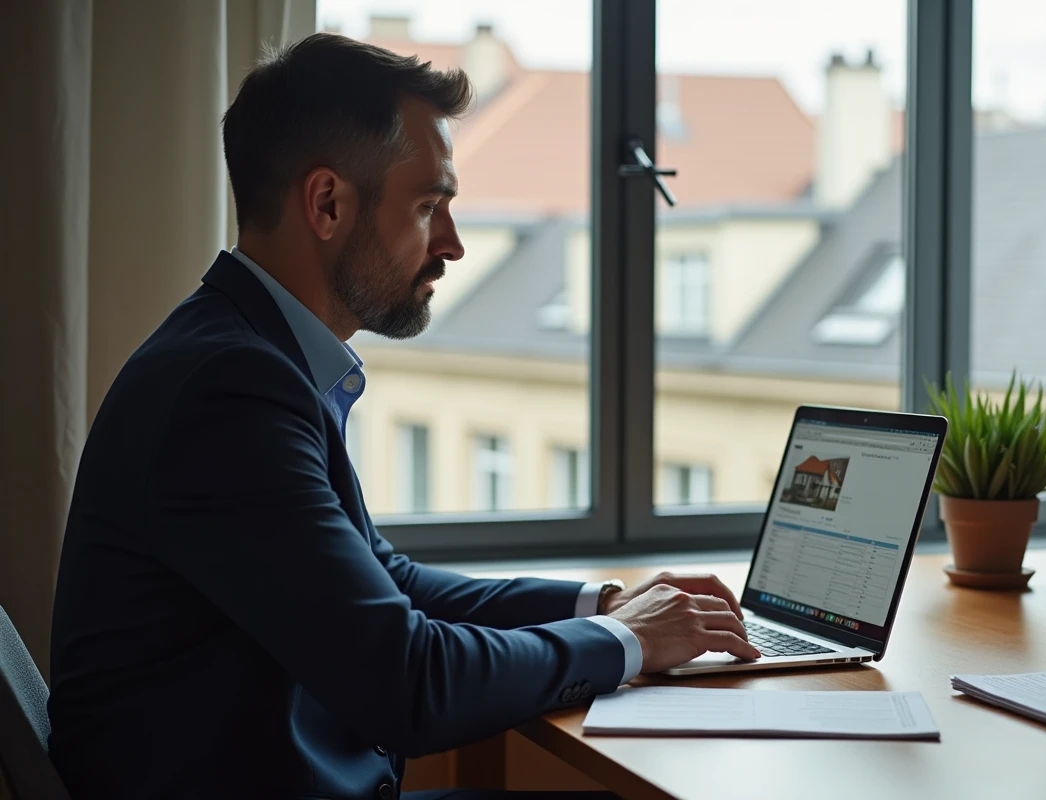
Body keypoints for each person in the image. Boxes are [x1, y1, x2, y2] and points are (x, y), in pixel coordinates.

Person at [47, 33, 759, 800]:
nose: (452, 245)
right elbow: (408, 681)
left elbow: (388, 582)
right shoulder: (230, 390)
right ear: (327, 203)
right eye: (429, 206)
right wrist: (627, 641)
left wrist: (606, 605)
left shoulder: (247, 355)